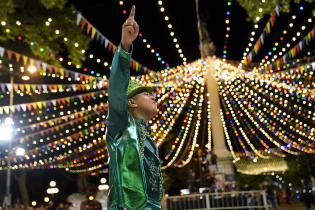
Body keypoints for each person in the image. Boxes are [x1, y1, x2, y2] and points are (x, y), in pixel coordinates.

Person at [106, 6, 164, 210]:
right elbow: (116, 90)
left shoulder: (147, 135)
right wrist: (125, 46)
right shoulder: (122, 126)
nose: (154, 97)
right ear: (130, 102)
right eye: (147, 94)